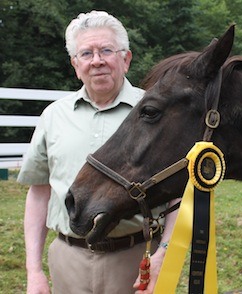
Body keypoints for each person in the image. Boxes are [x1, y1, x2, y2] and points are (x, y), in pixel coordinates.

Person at [17, 10, 179, 294]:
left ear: (126, 58)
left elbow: (179, 194)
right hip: (67, 259)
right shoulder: (53, 116)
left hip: (137, 257)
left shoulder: (156, 114)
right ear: (75, 64)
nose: (97, 61)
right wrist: (33, 271)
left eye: (106, 50)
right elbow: (39, 192)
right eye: (86, 53)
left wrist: (165, 253)